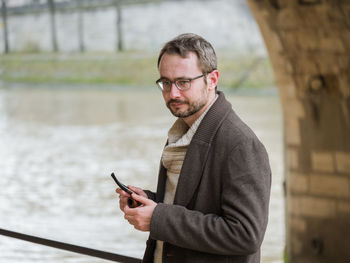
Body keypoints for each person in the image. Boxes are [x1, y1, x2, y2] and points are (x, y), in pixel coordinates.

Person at [116, 33, 271, 263]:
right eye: (166, 82)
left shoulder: (241, 145)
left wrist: (158, 218)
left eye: (183, 82)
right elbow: (192, 205)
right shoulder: (182, 131)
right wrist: (149, 201)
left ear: (213, 79)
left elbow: (245, 235)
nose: (173, 93)